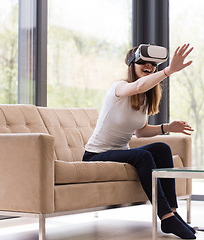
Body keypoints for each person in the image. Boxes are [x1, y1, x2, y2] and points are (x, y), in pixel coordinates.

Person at [83, 43, 196, 239]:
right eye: (142, 62)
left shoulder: (144, 98)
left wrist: (167, 127)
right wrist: (169, 71)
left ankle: (174, 213)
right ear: (131, 65)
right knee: (143, 156)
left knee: (162, 149)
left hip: (119, 152)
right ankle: (166, 217)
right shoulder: (120, 87)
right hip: (96, 154)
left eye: (152, 64)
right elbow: (137, 86)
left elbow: (141, 132)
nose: (149, 66)